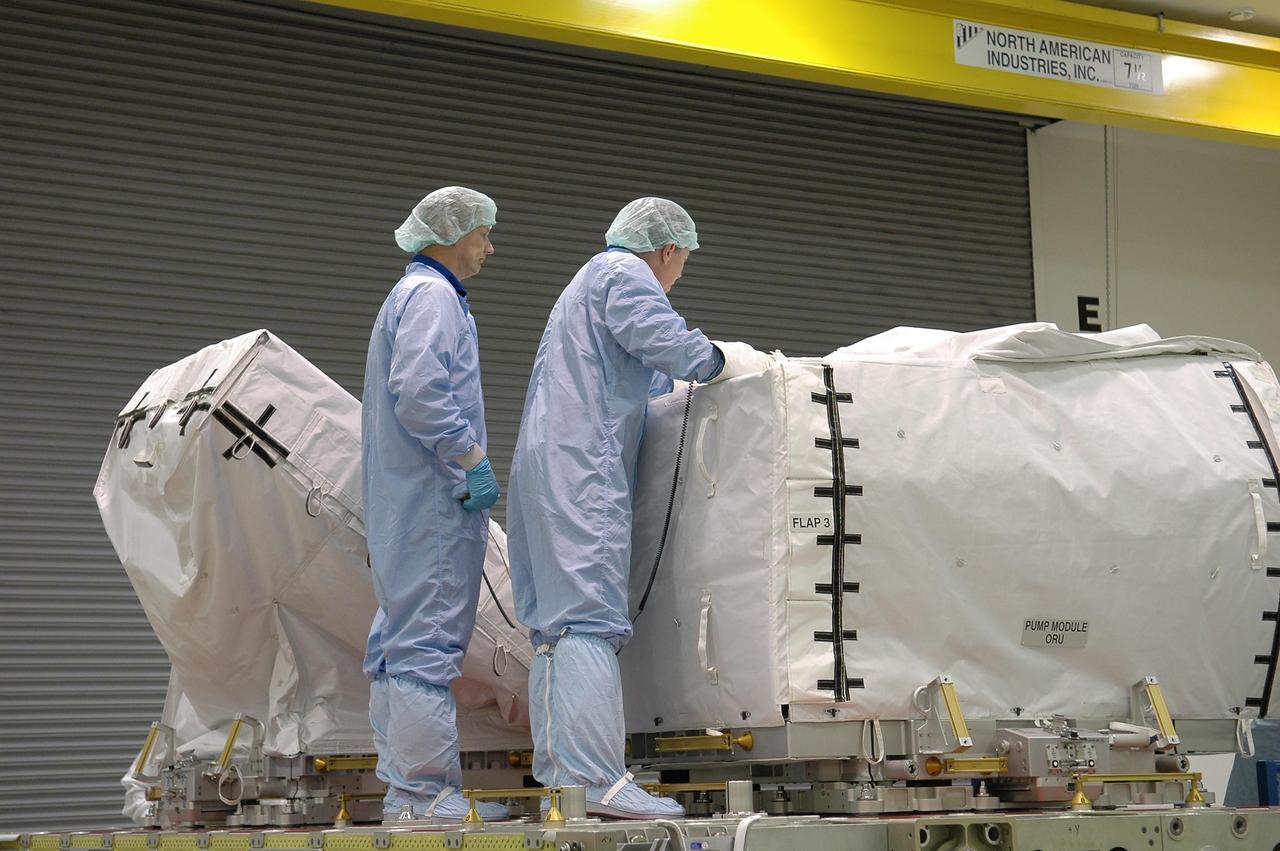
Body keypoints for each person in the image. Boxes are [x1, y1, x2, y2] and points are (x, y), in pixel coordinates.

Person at [506, 197, 770, 819]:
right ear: (668, 249)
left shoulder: (585, 284)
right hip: (582, 470)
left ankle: (565, 781)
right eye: (683, 265)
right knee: (588, 619)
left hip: (548, 465)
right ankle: (598, 781)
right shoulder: (623, 274)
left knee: (554, 630)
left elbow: (632, 372)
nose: (678, 278)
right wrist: (720, 362)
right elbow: (662, 340)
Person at [362, 186, 508, 823]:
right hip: (431, 503)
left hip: (405, 506)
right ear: (452, 234)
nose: (489, 246)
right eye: (483, 234)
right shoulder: (434, 297)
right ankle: (424, 795)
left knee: (400, 642)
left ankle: (406, 791)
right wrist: (469, 457)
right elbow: (420, 390)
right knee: (424, 644)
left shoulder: (410, 294)